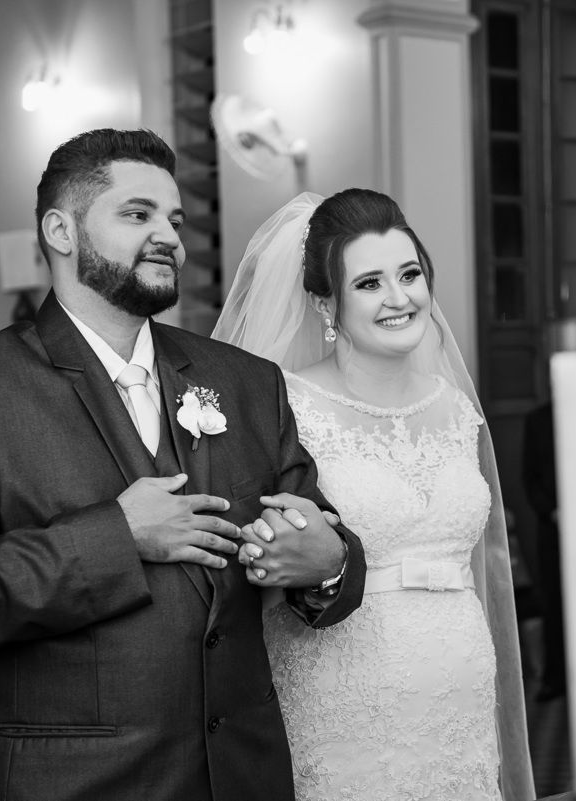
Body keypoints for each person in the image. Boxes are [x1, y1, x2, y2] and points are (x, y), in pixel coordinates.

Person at [0, 129, 366, 801]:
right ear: (61, 229)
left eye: (174, 219)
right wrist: (118, 535)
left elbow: (322, 533)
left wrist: (329, 562)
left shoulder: (245, 381)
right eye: (138, 214)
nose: (167, 234)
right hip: (67, 783)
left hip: (236, 777)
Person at [213, 189, 534, 800]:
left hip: (460, 691)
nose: (399, 298)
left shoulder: (455, 406)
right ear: (324, 302)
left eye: (409, 274)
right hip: (343, 699)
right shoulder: (284, 405)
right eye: (369, 283)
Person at [522, 401, 565, 702]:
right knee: (553, 600)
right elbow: (530, 476)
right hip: (553, 527)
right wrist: (551, 511)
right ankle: (555, 677)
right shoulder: (538, 419)